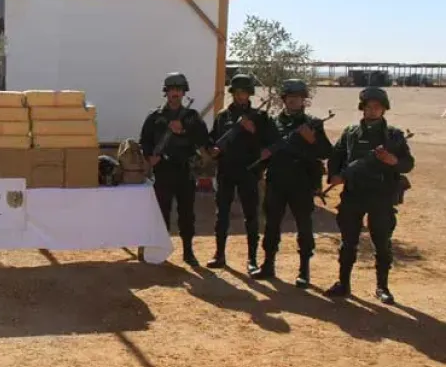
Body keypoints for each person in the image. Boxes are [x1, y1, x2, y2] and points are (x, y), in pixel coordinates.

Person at [324, 86, 414, 304]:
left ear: (384, 109)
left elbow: (408, 164)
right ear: (362, 108)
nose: (373, 110)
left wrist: (393, 161)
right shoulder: (350, 133)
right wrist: (334, 176)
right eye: (369, 106)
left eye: (377, 107)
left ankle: (382, 287)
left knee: (382, 242)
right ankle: (343, 284)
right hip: (353, 194)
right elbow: (336, 157)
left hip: (381, 196)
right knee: (348, 242)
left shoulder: (393, 135)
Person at [251, 79, 333, 287]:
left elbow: (326, 152)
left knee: (304, 225)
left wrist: (312, 140)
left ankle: (304, 270)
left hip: (301, 183)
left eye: (298, 97)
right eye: (290, 97)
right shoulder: (273, 123)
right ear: (284, 99)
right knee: (271, 224)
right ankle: (268, 264)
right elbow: (265, 150)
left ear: (304, 100)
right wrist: (263, 155)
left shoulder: (313, 124)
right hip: (277, 181)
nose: (294, 101)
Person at [205, 74, 276, 271]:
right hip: (226, 171)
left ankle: (252, 259)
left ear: (249, 94)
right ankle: (219, 255)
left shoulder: (260, 117)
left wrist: (253, 131)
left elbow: (271, 144)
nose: (240, 96)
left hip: (249, 172)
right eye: (237, 92)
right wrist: (213, 149)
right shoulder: (223, 116)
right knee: (222, 214)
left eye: (244, 92)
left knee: (251, 215)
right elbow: (212, 139)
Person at [139, 72, 210, 267]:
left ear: (184, 92)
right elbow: (145, 140)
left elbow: (203, 140)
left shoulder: (192, 117)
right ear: (166, 92)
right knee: (161, 212)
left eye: (179, 90)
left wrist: (183, 129)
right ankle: (160, 251)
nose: (175, 93)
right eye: (172, 90)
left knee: (187, 214)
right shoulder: (155, 117)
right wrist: (149, 156)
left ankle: (188, 251)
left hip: (185, 170)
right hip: (163, 170)